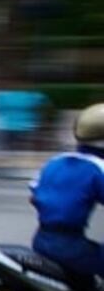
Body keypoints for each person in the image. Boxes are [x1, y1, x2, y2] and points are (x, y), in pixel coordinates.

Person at [30, 103, 104, 280]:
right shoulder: (98, 168)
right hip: (70, 248)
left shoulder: (55, 160)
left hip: (40, 239)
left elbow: (33, 196)